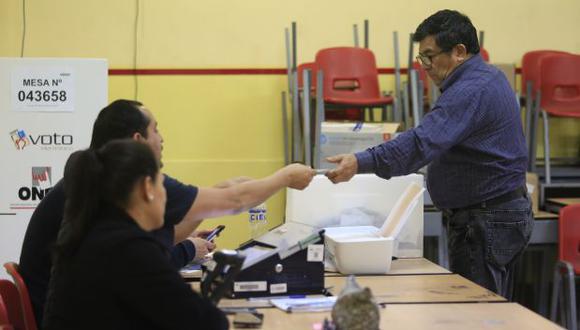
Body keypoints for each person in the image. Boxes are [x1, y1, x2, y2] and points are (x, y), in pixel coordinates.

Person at [19, 99, 315, 324]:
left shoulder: (95, 204)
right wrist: (286, 177)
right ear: (147, 189)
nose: (161, 139)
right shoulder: (124, 245)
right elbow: (204, 320)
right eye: (156, 130)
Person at [325, 9, 533, 300]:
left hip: (485, 218)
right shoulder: (483, 79)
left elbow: (422, 143)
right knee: (488, 308)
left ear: (459, 52)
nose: (424, 65)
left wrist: (361, 161)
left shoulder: (470, 90)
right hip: (491, 214)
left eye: (429, 56)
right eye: (421, 57)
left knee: (478, 313)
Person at [43, 139, 228, 329]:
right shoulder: (127, 248)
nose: (167, 196)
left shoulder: (97, 232)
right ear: (147, 187)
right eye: (163, 185)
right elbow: (209, 321)